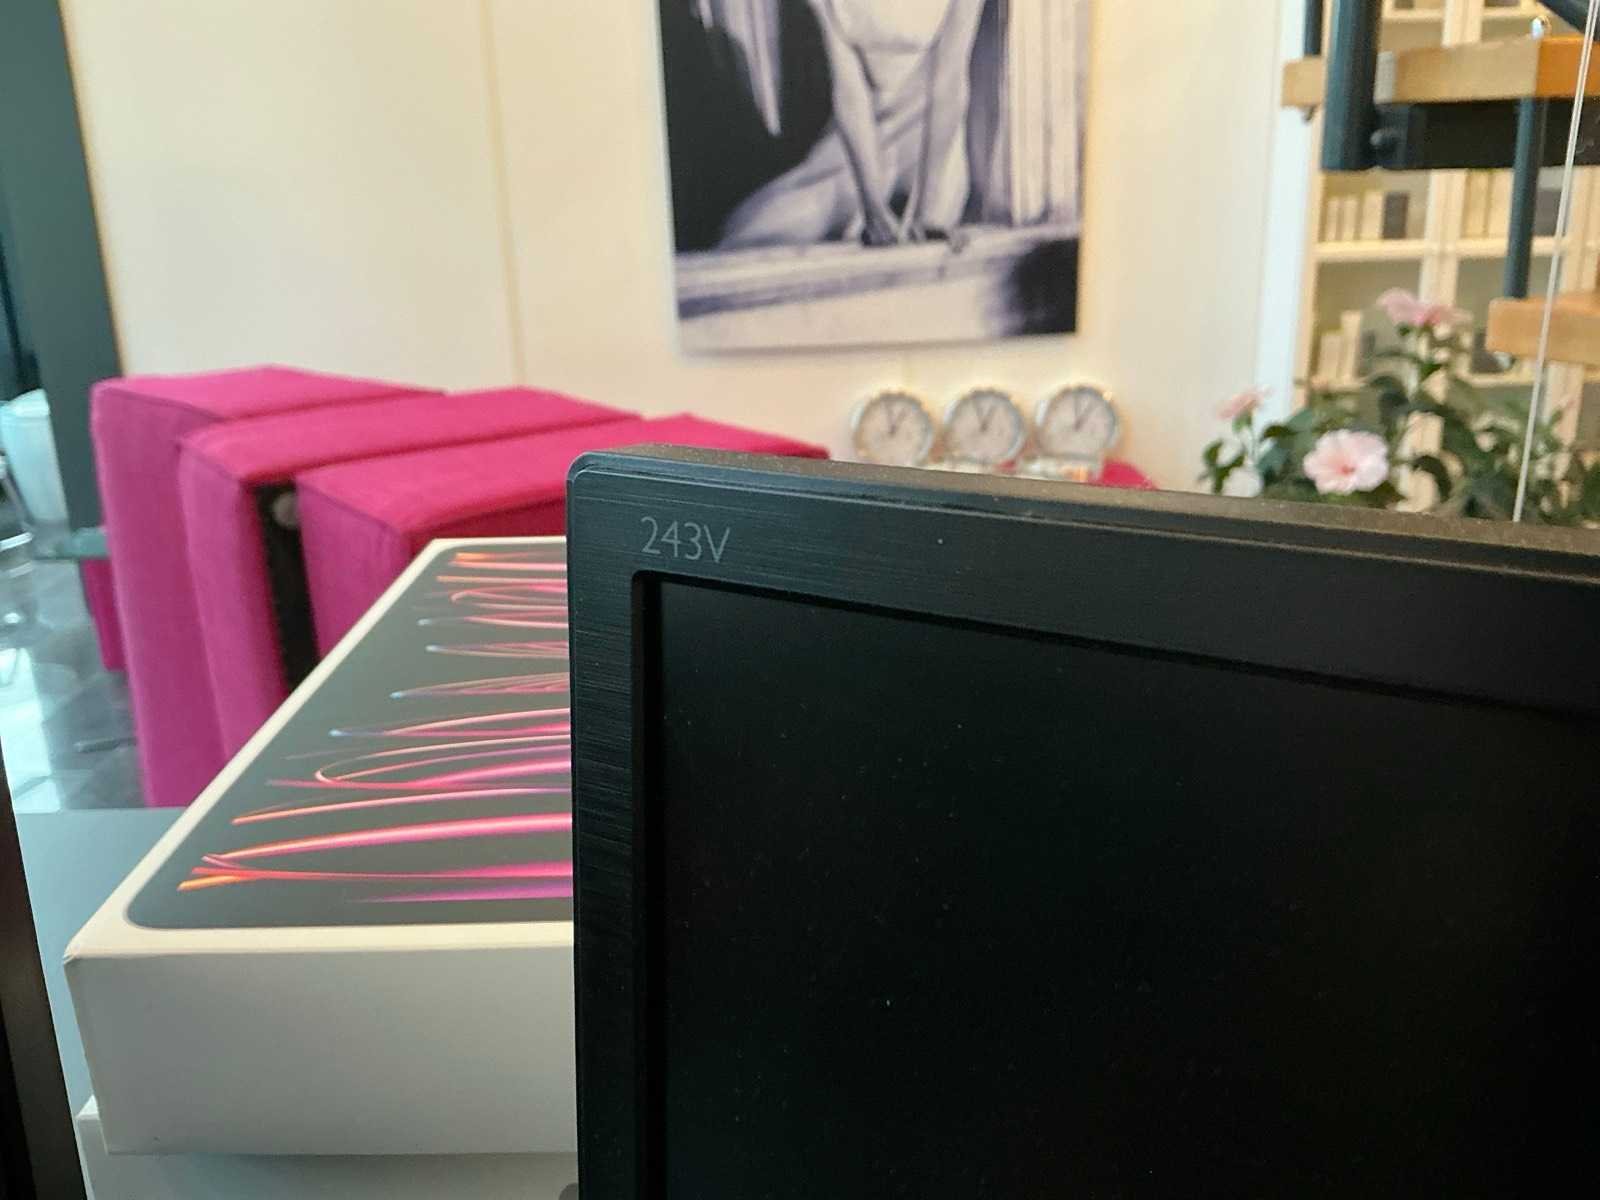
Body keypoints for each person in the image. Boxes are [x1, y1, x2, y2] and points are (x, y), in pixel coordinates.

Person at [719, 0, 988, 249]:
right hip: (861, 139)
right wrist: (872, 207)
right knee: (753, 231)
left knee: (928, 235)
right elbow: (850, 93)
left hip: (931, 141)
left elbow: (949, 83)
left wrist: (929, 209)